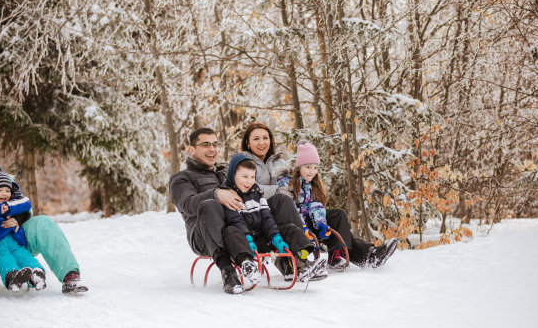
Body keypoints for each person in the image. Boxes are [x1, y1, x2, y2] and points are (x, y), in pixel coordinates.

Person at [169, 127, 325, 295]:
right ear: (192, 149)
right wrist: (216, 194)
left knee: (282, 201)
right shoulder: (181, 178)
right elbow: (187, 203)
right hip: (208, 236)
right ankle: (228, 271)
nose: (212, 149)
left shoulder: (225, 172)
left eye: (215, 144)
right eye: (205, 144)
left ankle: (294, 261)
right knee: (210, 205)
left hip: (245, 230)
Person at [239, 124, 398, 269]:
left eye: (265, 138)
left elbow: (295, 183)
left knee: (336, 216)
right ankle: (365, 255)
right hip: (271, 216)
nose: (262, 143)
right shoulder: (243, 163)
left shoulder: (278, 162)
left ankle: (348, 255)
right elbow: (246, 187)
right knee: (292, 209)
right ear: (247, 142)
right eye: (256, 139)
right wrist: (277, 190)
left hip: (296, 210)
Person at [0, 135, 88, 297]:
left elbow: (24, 207)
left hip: (13, 237)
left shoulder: (5, 180)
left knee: (43, 222)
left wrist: (18, 219)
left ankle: (70, 276)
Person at [220, 154, 326, 291]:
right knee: (231, 231)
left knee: (289, 229)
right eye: (244, 177)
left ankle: (304, 263)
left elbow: (266, 218)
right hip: (243, 242)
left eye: (252, 177)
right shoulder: (228, 195)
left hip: (261, 239)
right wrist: (248, 239)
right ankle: (247, 265)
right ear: (232, 175)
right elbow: (236, 220)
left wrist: (275, 237)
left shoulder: (256, 193)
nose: (249, 181)